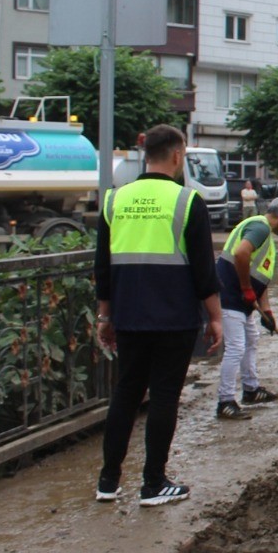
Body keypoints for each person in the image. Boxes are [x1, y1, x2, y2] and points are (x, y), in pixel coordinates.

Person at [94, 123, 223, 507]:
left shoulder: (113, 200)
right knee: (165, 396)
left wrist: (105, 317)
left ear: (145, 154)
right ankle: (153, 484)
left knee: (126, 393)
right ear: (177, 156)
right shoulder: (187, 201)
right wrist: (216, 318)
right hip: (174, 317)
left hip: (129, 316)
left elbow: (102, 266)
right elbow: (204, 270)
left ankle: (108, 481)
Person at [214, 198, 278, 419]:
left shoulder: (263, 232)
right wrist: (246, 288)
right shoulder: (260, 228)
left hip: (244, 301)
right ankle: (225, 401)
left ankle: (251, 390)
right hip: (231, 296)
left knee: (251, 339)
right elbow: (241, 254)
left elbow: (259, 276)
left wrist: (266, 310)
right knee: (236, 348)